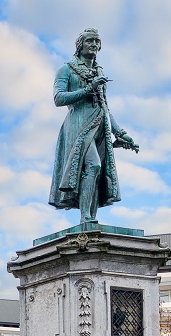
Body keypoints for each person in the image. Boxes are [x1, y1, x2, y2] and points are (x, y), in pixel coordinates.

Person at [49, 28, 139, 225]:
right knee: (94, 164)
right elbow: (58, 98)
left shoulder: (99, 72)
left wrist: (121, 133)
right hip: (78, 126)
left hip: (100, 126)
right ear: (80, 44)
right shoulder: (67, 69)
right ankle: (84, 217)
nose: (94, 44)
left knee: (98, 172)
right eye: (90, 40)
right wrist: (88, 88)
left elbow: (105, 106)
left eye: (97, 42)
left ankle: (91, 217)